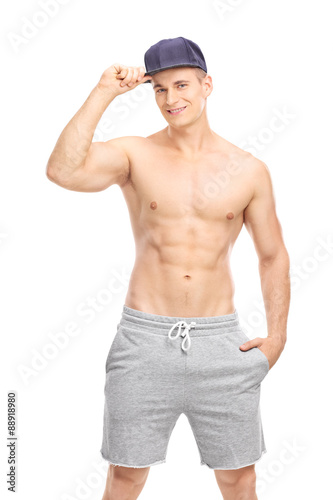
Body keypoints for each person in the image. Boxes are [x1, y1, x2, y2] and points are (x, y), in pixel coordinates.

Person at [46, 36, 290, 500]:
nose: (171, 99)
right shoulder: (135, 154)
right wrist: (103, 92)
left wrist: (277, 337)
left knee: (240, 479)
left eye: (181, 85)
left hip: (222, 345)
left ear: (207, 85)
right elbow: (62, 170)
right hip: (143, 342)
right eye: (159, 89)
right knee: (126, 476)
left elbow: (273, 254)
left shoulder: (248, 169)